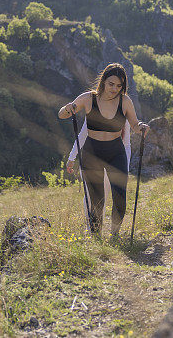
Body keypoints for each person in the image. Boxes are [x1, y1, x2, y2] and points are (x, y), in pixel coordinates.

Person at [57, 63, 149, 240]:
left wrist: (142, 127)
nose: (114, 89)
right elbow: (62, 114)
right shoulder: (88, 98)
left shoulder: (125, 101)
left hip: (116, 152)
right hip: (92, 153)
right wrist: (67, 108)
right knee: (97, 200)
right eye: (111, 84)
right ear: (103, 81)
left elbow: (135, 125)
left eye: (119, 86)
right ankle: (96, 237)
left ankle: (115, 234)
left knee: (120, 197)